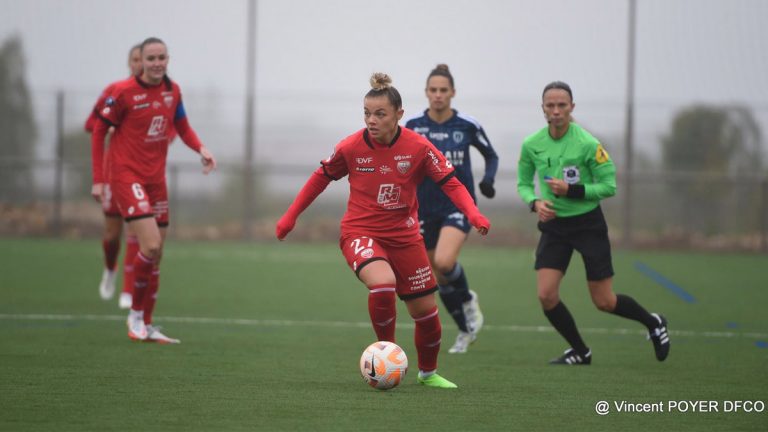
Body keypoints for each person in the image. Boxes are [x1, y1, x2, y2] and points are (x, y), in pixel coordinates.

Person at [276, 73, 490, 388]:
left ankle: (428, 374)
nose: (371, 120)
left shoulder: (417, 146)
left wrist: (473, 213)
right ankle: (386, 356)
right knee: (383, 284)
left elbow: (450, 182)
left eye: (380, 114)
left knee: (427, 315)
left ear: (398, 114)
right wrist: (290, 216)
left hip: (405, 238)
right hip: (360, 233)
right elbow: (320, 177)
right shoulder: (350, 147)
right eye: (366, 113)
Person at [517, 81, 670, 365]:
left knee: (604, 302)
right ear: (543, 109)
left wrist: (572, 190)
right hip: (554, 227)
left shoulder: (588, 144)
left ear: (571, 108)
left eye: (562, 105)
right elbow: (524, 183)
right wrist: (536, 203)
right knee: (546, 295)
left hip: (588, 225)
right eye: (550, 105)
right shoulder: (532, 144)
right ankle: (581, 351)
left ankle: (653, 322)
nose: (556, 111)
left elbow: (609, 186)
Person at [91, 37, 216, 344]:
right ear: (141, 61)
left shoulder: (173, 91)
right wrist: (99, 178)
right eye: (151, 58)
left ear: (168, 59)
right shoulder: (122, 93)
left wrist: (200, 148)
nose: (157, 63)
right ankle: (134, 319)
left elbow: (183, 127)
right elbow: (98, 130)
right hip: (126, 177)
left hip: (155, 180)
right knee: (149, 245)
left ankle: (146, 324)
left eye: (162, 57)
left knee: (156, 253)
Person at [405, 64, 499, 354]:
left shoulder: (467, 125)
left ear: (452, 93)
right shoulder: (413, 126)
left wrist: (488, 180)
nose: (438, 95)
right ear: (426, 93)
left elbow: (491, 155)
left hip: (458, 205)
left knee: (445, 262)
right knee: (438, 275)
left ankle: (468, 300)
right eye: (433, 90)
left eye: (443, 90)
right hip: (424, 209)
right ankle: (464, 329)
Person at [86, 43, 143, 309]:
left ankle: (128, 291)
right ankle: (110, 268)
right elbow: (93, 123)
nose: (140, 64)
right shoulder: (114, 92)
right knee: (112, 234)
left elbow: (172, 126)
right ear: (130, 63)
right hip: (114, 172)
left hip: (142, 173)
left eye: (145, 59)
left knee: (136, 229)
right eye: (136, 59)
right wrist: (111, 130)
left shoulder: (162, 93)